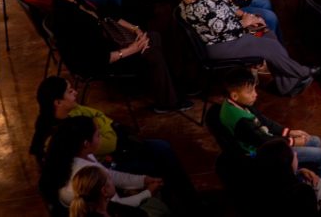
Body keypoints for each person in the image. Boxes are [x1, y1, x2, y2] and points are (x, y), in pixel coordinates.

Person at [45, 0, 189, 114]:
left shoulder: (74, 0)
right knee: (152, 48)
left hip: (107, 46)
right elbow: (96, 58)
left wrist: (135, 28)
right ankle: (168, 100)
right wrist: (132, 49)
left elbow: (106, 14)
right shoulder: (67, 18)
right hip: (98, 63)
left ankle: (167, 87)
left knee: (153, 37)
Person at [30, 76, 196, 204]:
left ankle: (183, 199)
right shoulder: (83, 167)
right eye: (69, 91)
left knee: (161, 148)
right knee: (159, 162)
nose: (75, 92)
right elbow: (109, 143)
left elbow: (99, 118)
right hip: (111, 159)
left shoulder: (73, 115)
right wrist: (147, 192)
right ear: (58, 102)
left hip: (110, 157)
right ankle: (182, 201)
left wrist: (143, 181)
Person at [179, 0, 316, 96]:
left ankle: (286, 84)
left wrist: (248, 16)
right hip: (222, 44)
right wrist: (245, 22)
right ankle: (303, 72)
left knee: (267, 33)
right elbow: (222, 30)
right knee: (269, 46)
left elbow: (230, 7)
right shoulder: (198, 6)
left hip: (233, 32)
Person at [39, 116, 168, 214]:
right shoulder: (87, 173)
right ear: (86, 143)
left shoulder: (74, 154)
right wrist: (148, 193)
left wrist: (143, 180)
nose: (101, 137)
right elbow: (117, 206)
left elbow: (108, 174)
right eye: (98, 135)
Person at [219, 67, 321, 176]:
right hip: (260, 154)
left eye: (254, 89)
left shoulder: (239, 103)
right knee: (320, 155)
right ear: (234, 96)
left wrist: (289, 132)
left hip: (268, 142)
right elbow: (264, 141)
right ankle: (318, 182)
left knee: (316, 141)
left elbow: (264, 121)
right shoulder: (241, 121)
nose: (255, 94)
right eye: (250, 91)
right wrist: (292, 141)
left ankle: (306, 173)